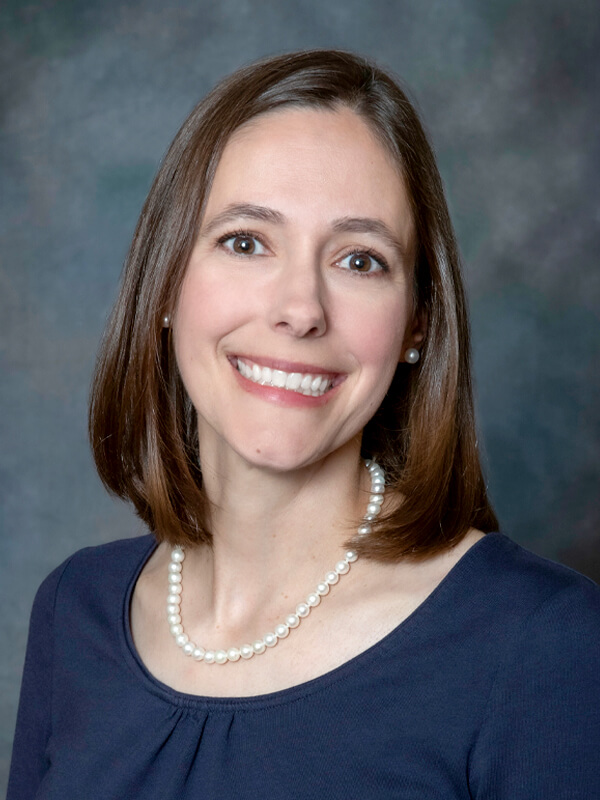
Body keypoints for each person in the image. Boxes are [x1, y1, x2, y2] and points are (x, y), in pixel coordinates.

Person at [8, 50, 600, 799]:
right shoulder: (75, 611)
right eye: (246, 241)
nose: (301, 308)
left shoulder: (545, 645)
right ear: (165, 284)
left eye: (359, 260)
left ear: (416, 322)